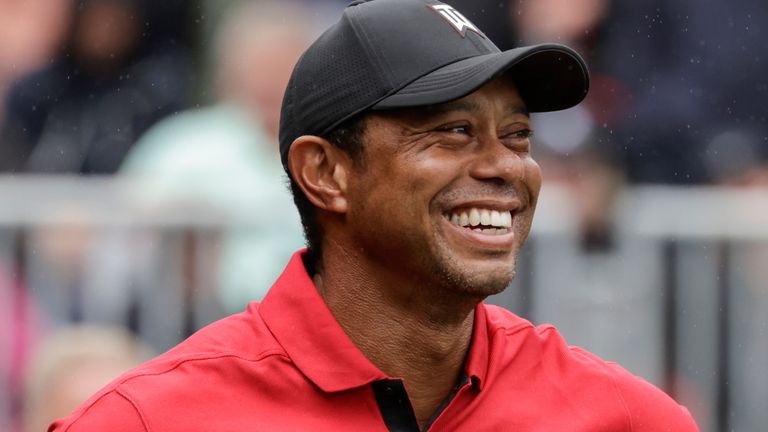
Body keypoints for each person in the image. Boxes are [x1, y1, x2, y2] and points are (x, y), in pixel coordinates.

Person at [50, 0, 700, 430]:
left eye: (518, 136)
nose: (506, 166)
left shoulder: (626, 418)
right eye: (451, 132)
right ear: (325, 173)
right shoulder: (147, 420)